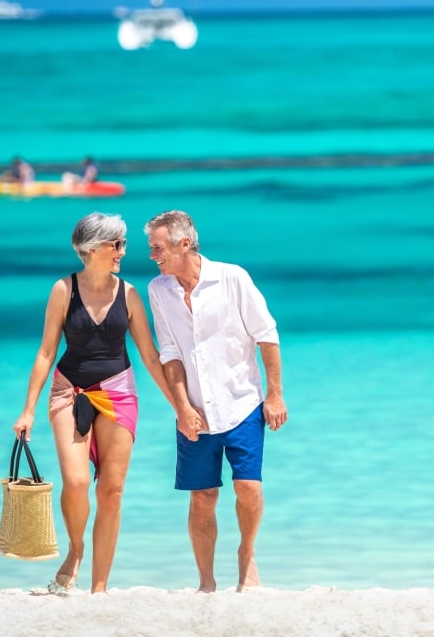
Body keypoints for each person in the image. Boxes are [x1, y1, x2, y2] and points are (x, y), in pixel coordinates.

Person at [13, 212, 173, 595]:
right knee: (77, 480)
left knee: (112, 491)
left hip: (118, 392)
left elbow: (150, 356)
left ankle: (99, 588)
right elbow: (46, 352)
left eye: (123, 243)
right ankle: (76, 550)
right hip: (69, 391)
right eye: (116, 244)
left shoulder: (129, 294)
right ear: (93, 248)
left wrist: (180, 408)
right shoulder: (63, 290)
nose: (122, 251)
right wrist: (28, 409)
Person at [143, 210, 288, 593]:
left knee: (248, 488)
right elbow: (170, 353)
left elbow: (267, 335)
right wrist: (182, 409)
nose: (152, 256)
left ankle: (247, 555)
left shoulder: (232, 278)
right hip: (195, 411)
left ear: (183, 244)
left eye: (157, 248)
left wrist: (274, 394)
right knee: (202, 497)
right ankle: (206, 582)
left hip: (242, 404)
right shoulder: (159, 290)